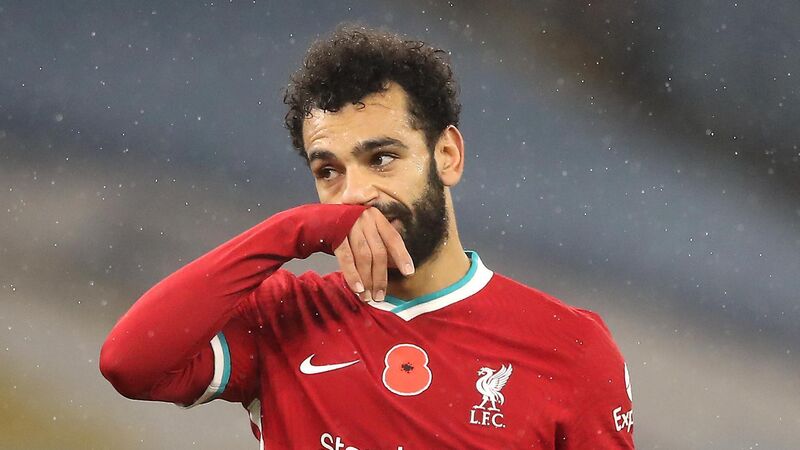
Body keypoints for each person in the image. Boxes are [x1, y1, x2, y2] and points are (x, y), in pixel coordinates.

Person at [100, 24, 635, 449]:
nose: (355, 194)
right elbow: (129, 365)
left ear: (447, 156)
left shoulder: (572, 348)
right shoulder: (284, 317)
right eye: (328, 171)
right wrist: (290, 231)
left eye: (381, 158)